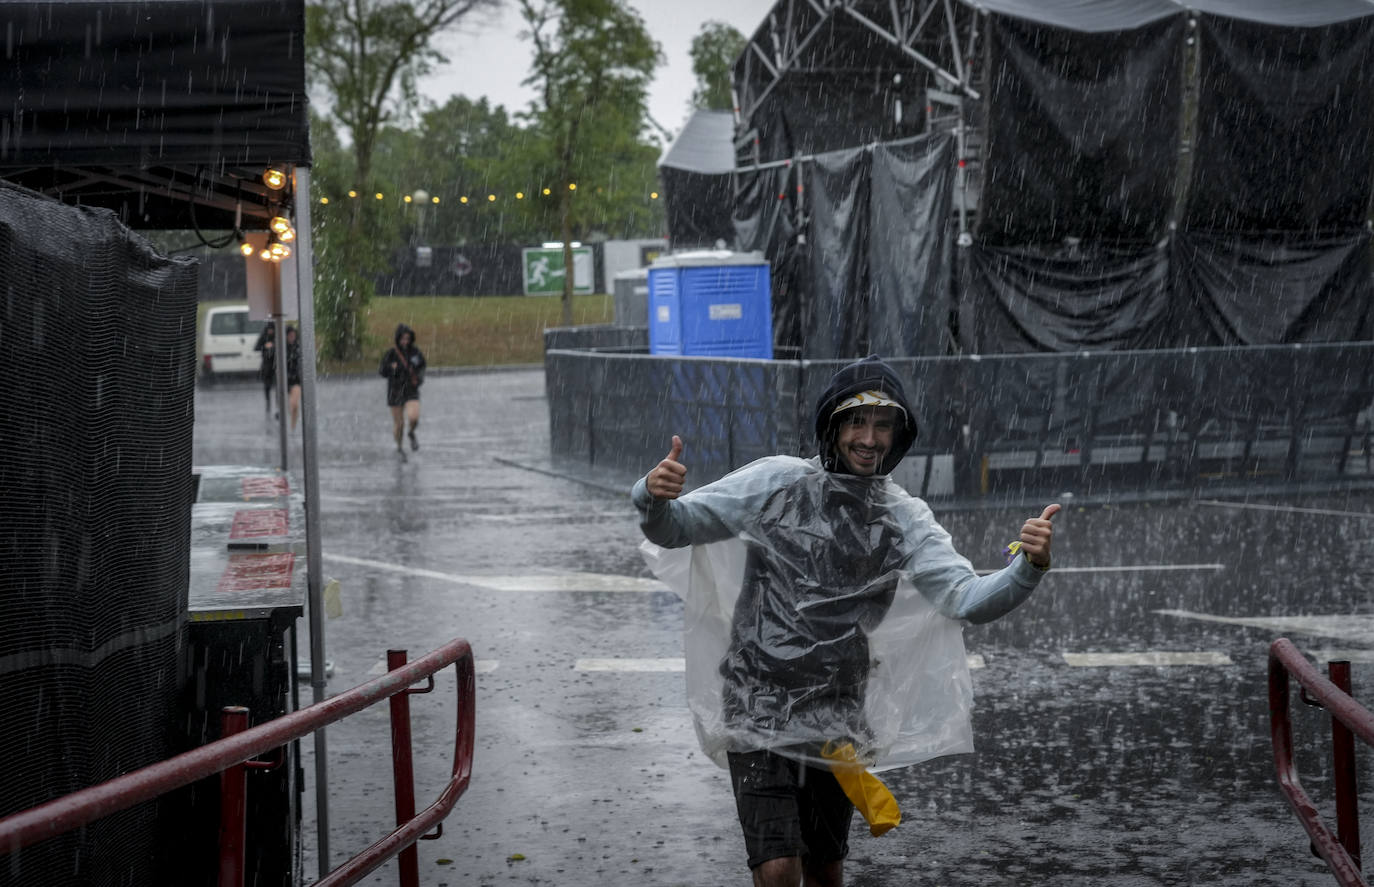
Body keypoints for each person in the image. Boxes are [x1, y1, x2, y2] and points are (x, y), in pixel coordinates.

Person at [632, 354, 1059, 887]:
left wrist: (1028, 567)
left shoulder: (902, 516)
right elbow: (676, 527)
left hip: (837, 716)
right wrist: (652, 495)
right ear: (832, 428)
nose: (869, 438)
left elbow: (965, 597)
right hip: (757, 703)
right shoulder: (776, 483)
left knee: (825, 869)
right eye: (857, 421)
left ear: (898, 436)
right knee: (779, 867)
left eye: (883, 425)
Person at [379, 323, 426, 460]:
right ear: (398, 339)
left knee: (414, 417)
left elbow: (422, 366)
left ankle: (411, 433)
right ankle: (399, 446)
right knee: (399, 424)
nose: (405, 341)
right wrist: (392, 368)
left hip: (411, 390)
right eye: (402, 339)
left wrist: (419, 379)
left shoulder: (415, 353)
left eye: (407, 338)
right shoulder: (391, 354)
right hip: (395, 390)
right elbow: (382, 371)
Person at [282, 325, 303, 431]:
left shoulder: (298, 347)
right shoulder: (282, 348)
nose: (292, 338)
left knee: (294, 404)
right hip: (284, 379)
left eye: (293, 336)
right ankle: (291, 428)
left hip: (296, 379)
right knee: (293, 406)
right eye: (290, 336)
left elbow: (301, 363)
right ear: (285, 336)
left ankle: (292, 428)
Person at [253, 322, 276, 414]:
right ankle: (268, 401)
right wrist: (264, 346)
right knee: (267, 385)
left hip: (276, 363)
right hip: (266, 364)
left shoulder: (277, 336)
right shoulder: (264, 336)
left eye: (272, 329)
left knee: (279, 385)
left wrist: (274, 346)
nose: (270, 331)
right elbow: (256, 347)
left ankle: (279, 402)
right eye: (269, 329)